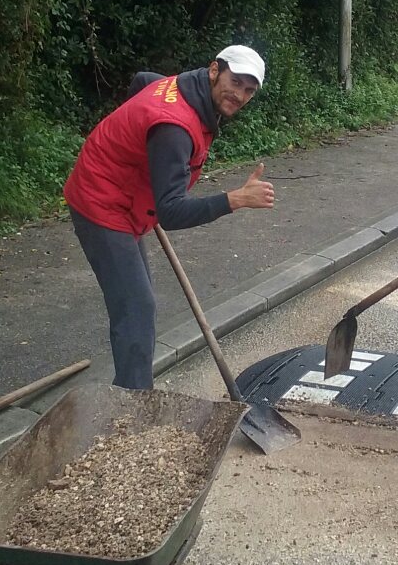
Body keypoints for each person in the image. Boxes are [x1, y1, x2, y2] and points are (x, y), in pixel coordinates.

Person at [64, 46, 275, 389]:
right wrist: (234, 199)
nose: (239, 95)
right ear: (213, 71)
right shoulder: (175, 127)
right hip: (100, 201)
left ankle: (132, 392)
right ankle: (132, 406)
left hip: (128, 201)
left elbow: (141, 81)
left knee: (139, 305)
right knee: (136, 308)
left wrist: (135, 141)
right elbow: (172, 212)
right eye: (234, 82)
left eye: (249, 90)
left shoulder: (184, 87)